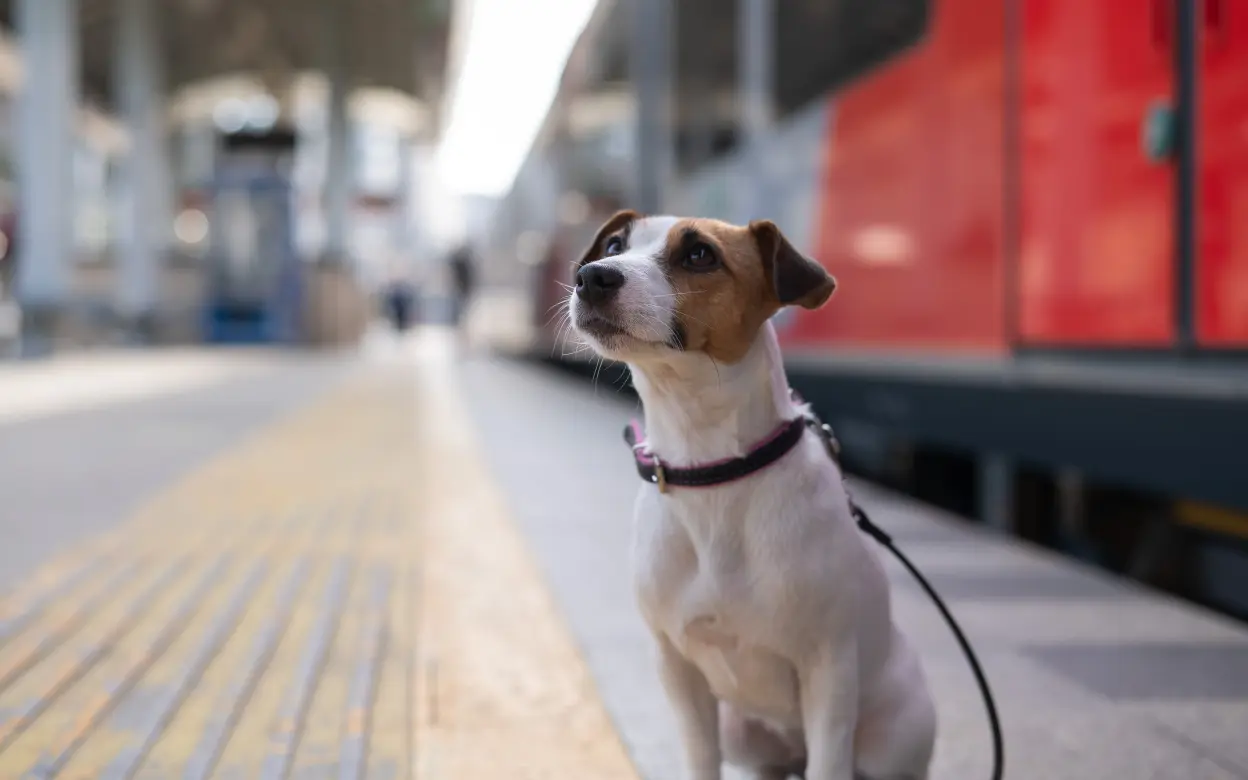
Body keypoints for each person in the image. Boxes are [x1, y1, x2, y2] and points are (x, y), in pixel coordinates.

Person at [447, 243, 477, 337]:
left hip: (463, 289)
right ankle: (458, 323)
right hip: (460, 289)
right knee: (460, 308)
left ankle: (460, 323)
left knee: (463, 308)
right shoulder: (461, 263)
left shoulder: (464, 263)